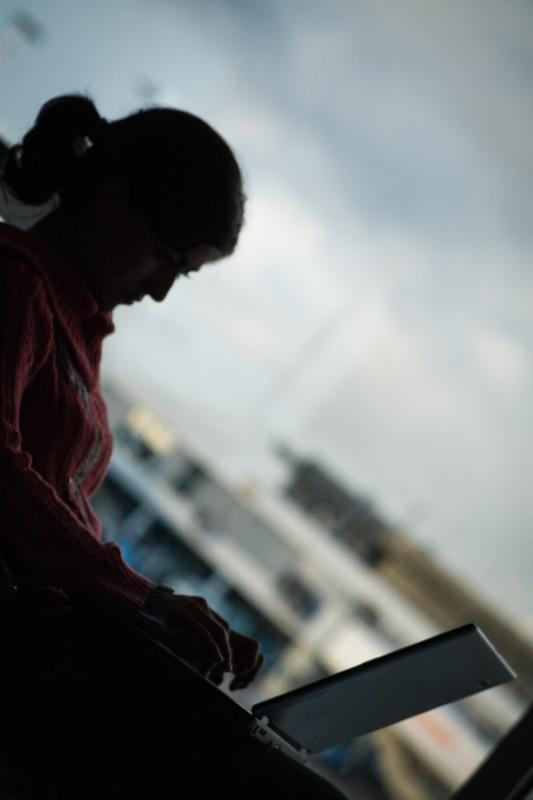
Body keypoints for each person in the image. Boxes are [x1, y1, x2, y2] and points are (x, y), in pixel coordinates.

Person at [0, 94, 350, 799]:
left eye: (181, 274)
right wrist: (142, 599)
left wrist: (154, 612)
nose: (159, 293)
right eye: (165, 258)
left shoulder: (70, 326)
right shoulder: (16, 282)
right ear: (110, 200)